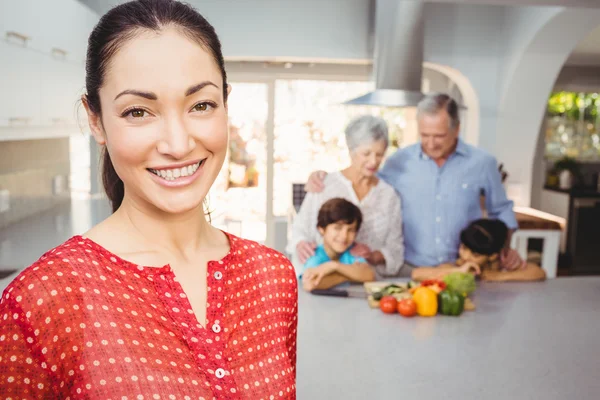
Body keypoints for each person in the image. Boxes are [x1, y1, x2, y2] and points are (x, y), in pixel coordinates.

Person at [0, 1, 297, 398]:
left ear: (226, 103)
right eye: (138, 111)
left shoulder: (273, 278)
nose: (177, 144)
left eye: (202, 105)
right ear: (95, 120)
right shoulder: (43, 300)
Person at [305, 93, 523, 277]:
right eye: (424, 135)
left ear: (456, 129)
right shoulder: (399, 162)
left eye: (439, 136)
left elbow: (501, 210)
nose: (430, 143)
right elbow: (365, 176)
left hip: (462, 267)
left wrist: (506, 248)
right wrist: (323, 176)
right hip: (411, 270)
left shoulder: (482, 163)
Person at [287, 115, 404, 279]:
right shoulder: (325, 185)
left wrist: (372, 256)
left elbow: (395, 249)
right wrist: (300, 244)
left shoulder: (388, 195)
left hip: (364, 282)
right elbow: (300, 229)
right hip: (321, 279)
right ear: (351, 150)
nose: (373, 161)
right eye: (366, 153)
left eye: (379, 154)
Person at [412, 219, 546, 282]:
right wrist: (458, 271)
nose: (465, 256)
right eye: (464, 248)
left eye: (475, 255)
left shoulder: (504, 263)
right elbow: (417, 274)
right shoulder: (458, 264)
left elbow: (539, 272)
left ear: (493, 256)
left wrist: (501, 276)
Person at [301, 198, 376, 292]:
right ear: (321, 229)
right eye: (337, 228)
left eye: (351, 230)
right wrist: (348, 275)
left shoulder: (352, 252)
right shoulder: (314, 256)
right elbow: (310, 284)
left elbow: (369, 275)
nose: (344, 236)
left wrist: (333, 266)